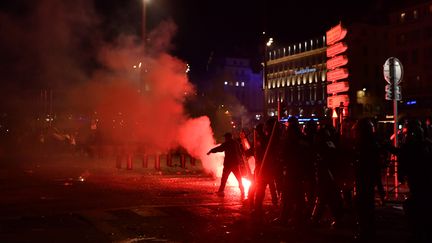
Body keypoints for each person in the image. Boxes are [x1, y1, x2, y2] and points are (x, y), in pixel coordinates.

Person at [352, 118, 382, 241]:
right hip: (366, 182)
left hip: (364, 182)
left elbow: (370, 166)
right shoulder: (372, 144)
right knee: (367, 208)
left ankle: (365, 233)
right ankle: (368, 232)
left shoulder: (364, 146)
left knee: (363, 208)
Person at [207, 132, 245, 198]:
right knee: (239, 178)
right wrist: (241, 162)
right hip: (236, 164)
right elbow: (239, 153)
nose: (225, 139)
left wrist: (211, 151)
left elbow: (220, 148)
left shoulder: (227, 143)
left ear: (227, 137)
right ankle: (242, 190)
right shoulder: (236, 143)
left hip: (228, 164)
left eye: (225, 137)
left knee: (224, 178)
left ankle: (221, 191)